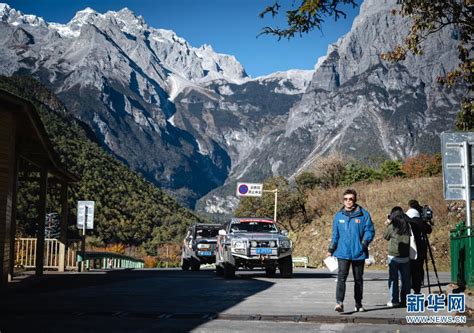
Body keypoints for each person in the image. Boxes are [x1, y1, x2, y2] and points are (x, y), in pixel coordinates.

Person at [326, 189, 375, 313]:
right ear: (343, 200)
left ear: (355, 200)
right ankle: (339, 303)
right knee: (341, 278)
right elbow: (335, 235)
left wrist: (363, 244)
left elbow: (370, 231)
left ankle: (358, 304)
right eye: (346, 199)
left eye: (351, 199)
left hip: (359, 253)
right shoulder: (338, 216)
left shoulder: (364, 214)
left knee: (358, 280)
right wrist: (331, 249)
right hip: (342, 253)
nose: (348, 201)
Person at [383, 207, 411, 307]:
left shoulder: (392, 226)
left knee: (393, 279)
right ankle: (406, 300)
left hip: (393, 256)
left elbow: (385, 236)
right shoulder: (407, 225)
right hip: (405, 257)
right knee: (406, 280)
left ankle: (393, 300)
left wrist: (388, 223)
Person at [406, 199, 432, 294]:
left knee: (408, 270)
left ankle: (406, 291)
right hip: (419, 249)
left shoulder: (404, 219)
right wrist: (425, 220)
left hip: (406, 250)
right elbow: (429, 229)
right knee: (418, 268)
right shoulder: (419, 221)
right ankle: (417, 288)